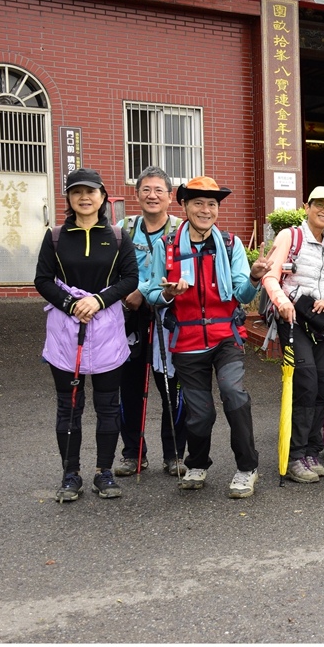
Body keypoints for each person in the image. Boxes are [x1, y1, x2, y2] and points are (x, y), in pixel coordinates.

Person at [146, 177, 271, 498]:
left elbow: (242, 292)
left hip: (224, 335)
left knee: (234, 395)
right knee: (199, 412)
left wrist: (255, 278)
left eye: (212, 204)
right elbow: (149, 288)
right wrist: (167, 294)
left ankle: (247, 468)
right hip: (186, 341)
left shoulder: (230, 244)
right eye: (198, 203)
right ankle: (198, 462)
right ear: (184, 206)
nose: (205, 210)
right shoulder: (167, 246)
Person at [35, 168, 138, 501]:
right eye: (76, 192)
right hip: (66, 331)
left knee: (108, 406)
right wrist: (70, 303)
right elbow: (43, 279)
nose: (84, 197)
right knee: (69, 407)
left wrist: (98, 300)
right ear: (68, 198)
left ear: (103, 197)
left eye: (91, 191)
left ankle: (104, 472)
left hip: (107, 328)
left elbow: (130, 278)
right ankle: (70, 474)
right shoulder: (55, 237)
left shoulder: (119, 237)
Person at [262, 186, 324, 484]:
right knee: (305, 382)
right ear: (306, 206)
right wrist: (283, 303)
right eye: (319, 205)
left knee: (322, 384)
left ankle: (311, 451)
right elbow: (271, 276)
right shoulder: (290, 236)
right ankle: (295, 456)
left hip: (320, 321)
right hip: (293, 319)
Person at [115, 165, 186, 478]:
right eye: (146, 189)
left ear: (170, 197)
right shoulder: (123, 229)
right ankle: (133, 454)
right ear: (136, 194)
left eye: (159, 190)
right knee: (127, 387)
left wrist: (143, 291)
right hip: (127, 317)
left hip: (168, 316)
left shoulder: (182, 230)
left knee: (171, 385)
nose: (152, 195)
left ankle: (174, 455)